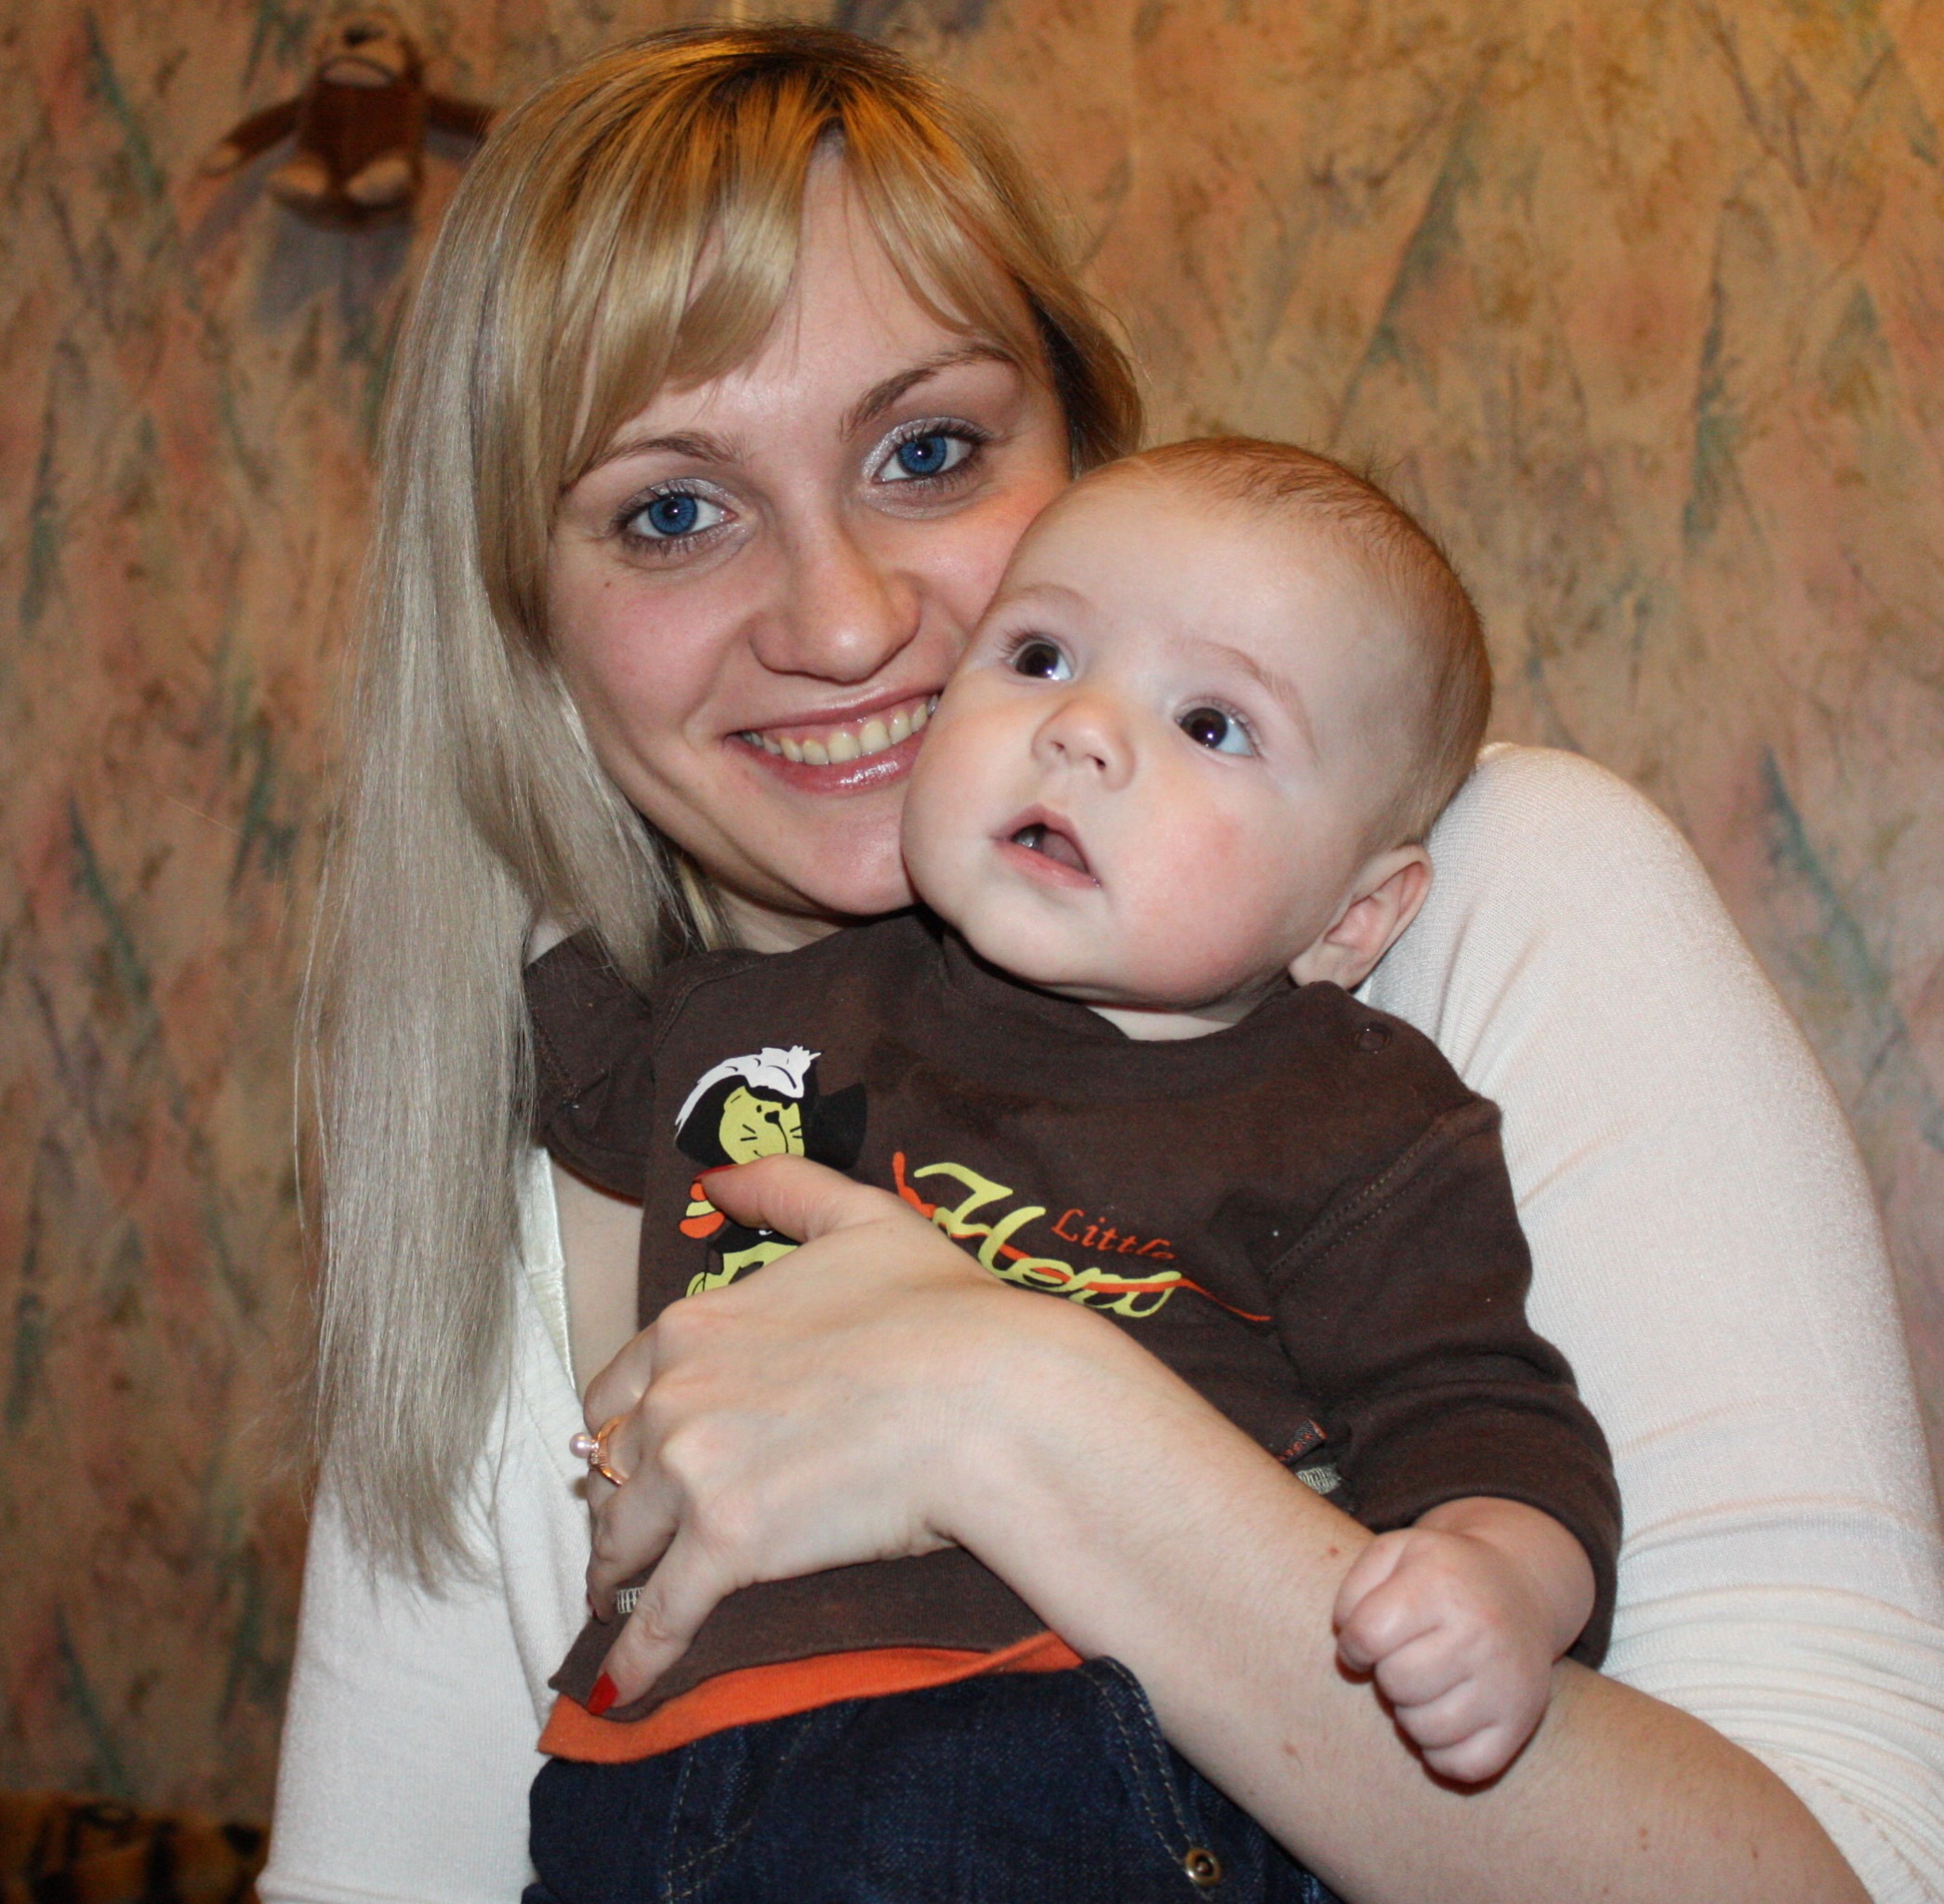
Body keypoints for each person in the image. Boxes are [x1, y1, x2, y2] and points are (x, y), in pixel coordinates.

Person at [262, 22, 1944, 1904]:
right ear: (524, 616)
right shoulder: (520, 1138)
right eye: (672, 510)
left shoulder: (1488, 903)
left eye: (927, 452)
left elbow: (1860, 1869)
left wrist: (1006, 1412)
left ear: (1087, 449)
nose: (843, 622)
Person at [515, 440, 1622, 1898]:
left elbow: (1480, 1411)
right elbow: (493, 1011)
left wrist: (1500, 1580)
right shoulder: (738, 1011)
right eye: (1038, 656)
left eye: (1213, 724)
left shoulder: (1347, 1109)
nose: (1082, 731)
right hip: (644, 1767)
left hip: (1062, 1763)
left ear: (1355, 919)